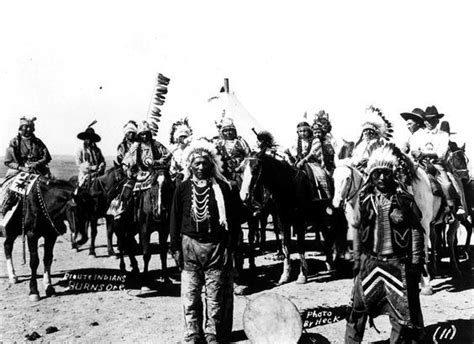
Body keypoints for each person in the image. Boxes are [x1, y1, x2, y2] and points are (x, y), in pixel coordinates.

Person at [345, 143, 425, 344]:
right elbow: (355, 231)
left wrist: (415, 262)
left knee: (401, 315)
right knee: (357, 310)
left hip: (398, 265)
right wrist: (356, 262)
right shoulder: (363, 200)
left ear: (393, 175)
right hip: (369, 264)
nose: (381, 178)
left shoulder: (404, 200)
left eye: (386, 173)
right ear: (371, 175)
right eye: (377, 173)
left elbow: (416, 230)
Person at [170, 139, 243, 344]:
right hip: (189, 247)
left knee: (215, 296)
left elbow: (235, 221)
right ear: (190, 165)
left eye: (205, 163)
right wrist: (175, 247)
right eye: (196, 163)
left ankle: (213, 334)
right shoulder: (182, 188)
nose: (201, 167)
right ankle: (193, 334)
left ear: (212, 164)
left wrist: (231, 247)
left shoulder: (224, 188)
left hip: (217, 248)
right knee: (190, 295)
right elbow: (174, 219)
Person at [409, 106, 464, 219]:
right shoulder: (418, 135)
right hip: (420, 164)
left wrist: (424, 154)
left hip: (436, 165)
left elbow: (441, 153)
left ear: (437, 120)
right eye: (426, 120)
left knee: (447, 184)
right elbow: (413, 149)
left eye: (431, 119)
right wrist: (417, 154)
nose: (428, 122)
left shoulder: (443, 135)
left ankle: (454, 207)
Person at [350, 106, 392, 171]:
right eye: (365, 131)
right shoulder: (360, 145)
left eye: (370, 132)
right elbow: (354, 158)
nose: (368, 133)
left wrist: (368, 161)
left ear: (375, 133)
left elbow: (381, 158)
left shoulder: (378, 143)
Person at [213, 117, 251, 187]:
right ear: (222, 132)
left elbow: (248, 156)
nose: (228, 133)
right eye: (225, 131)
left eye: (230, 130)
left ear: (234, 131)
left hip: (241, 172)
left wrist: (241, 167)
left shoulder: (241, 142)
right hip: (225, 173)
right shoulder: (219, 144)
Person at [76, 121, 106, 189]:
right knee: (81, 189)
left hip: (98, 174)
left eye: (91, 138)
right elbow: (79, 164)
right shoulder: (81, 150)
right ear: (84, 139)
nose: (89, 140)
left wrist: (101, 165)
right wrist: (91, 167)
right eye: (87, 138)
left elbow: (102, 161)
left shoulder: (97, 150)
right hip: (86, 175)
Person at [169, 118, 193, 185]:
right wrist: (175, 174)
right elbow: (172, 167)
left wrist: (185, 173)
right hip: (178, 178)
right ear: (177, 138)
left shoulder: (191, 150)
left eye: (185, 137)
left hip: (190, 177)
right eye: (181, 137)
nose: (183, 139)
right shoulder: (175, 152)